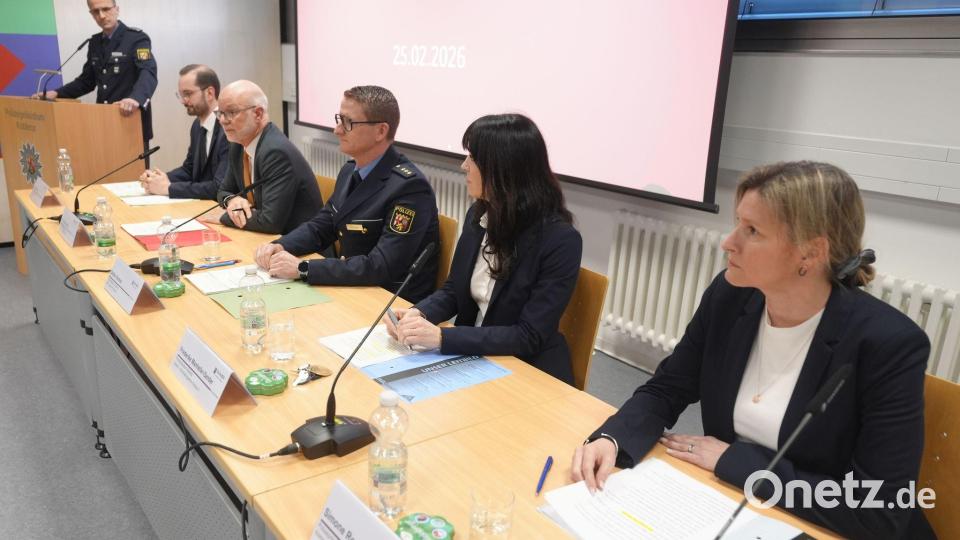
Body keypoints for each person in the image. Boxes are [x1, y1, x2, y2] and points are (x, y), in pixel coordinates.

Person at [571, 162, 933, 539]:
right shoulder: (730, 298)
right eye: (737, 224)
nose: (728, 242)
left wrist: (738, 463)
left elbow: (878, 507)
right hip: (734, 507)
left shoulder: (887, 343)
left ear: (810, 253)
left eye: (752, 231)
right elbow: (667, 388)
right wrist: (611, 439)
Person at [384, 114, 582, 385]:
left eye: (472, 158)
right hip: (474, 358)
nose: (464, 166)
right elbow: (455, 290)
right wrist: (420, 313)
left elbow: (529, 335)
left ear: (503, 169)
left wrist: (443, 338)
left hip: (525, 370)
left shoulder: (560, 240)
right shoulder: (478, 215)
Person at [254, 85, 439, 303]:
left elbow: (381, 266)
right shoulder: (350, 171)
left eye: (348, 122)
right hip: (352, 288)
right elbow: (321, 226)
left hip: (388, 302)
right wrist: (281, 245)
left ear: (381, 131)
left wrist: (304, 268)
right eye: (338, 119)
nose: (337, 130)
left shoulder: (409, 187)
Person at [41, 0, 157, 162]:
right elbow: (86, 81)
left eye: (106, 9)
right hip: (103, 122)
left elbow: (148, 72)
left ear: (117, 9)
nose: (101, 16)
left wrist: (135, 99)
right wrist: (56, 93)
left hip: (130, 121)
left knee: (134, 181)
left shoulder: (137, 39)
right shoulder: (95, 43)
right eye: (95, 11)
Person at [203, 80, 322, 235]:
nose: (223, 121)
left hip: (301, 248)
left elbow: (270, 222)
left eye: (231, 113)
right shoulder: (238, 144)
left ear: (258, 114)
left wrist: (225, 216)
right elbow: (223, 191)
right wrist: (233, 201)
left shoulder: (276, 152)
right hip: (265, 239)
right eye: (220, 113)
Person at [138, 65, 227, 200]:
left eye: (188, 94)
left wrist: (169, 188)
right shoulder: (197, 126)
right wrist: (158, 179)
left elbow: (220, 187)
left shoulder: (228, 128)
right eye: (181, 95)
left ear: (210, 93)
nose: (183, 101)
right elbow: (190, 170)